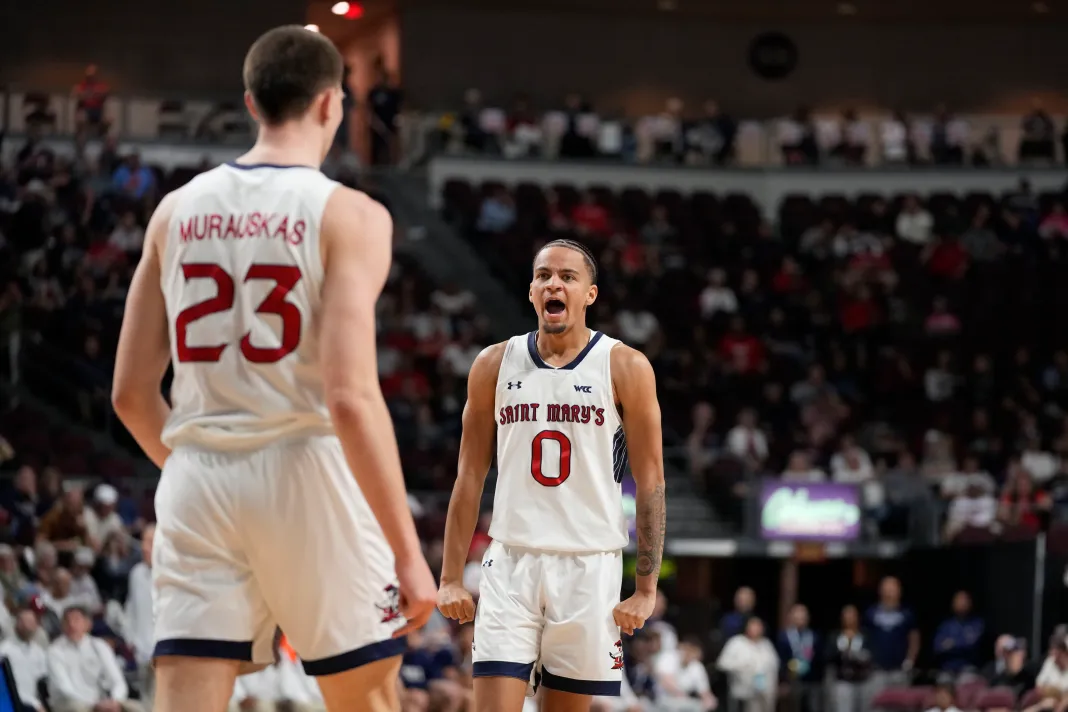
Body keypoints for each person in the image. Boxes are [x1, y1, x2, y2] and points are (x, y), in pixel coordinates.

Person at [109, 25, 436, 712]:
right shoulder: (351, 215)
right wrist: (409, 553)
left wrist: (205, 464)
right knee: (367, 700)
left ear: (252, 104)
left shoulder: (173, 212)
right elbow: (350, 398)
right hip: (305, 469)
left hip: (196, 477)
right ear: (331, 103)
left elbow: (132, 396)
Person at [436, 239, 667, 712]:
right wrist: (450, 577)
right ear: (531, 291)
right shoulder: (492, 364)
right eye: (543, 276)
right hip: (511, 562)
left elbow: (651, 482)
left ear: (590, 294)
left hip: (589, 566)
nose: (553, 284)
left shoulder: (625, 366)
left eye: (567, 277)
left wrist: (646, 590)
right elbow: (469, 476)